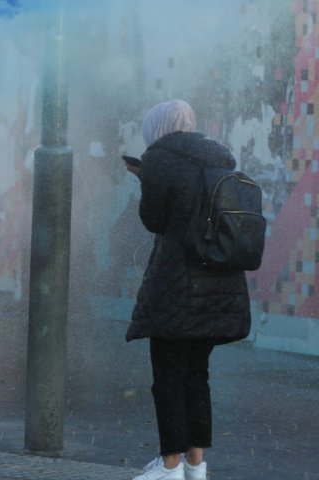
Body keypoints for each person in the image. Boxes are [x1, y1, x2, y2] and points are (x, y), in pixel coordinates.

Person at [123, 99, 251, 480]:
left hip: (178, 287)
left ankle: (169, 467)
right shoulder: (220, 158)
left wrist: (145, 178)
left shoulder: (159, 158)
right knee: (197, 376)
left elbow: (154, 220)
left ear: (157, 129)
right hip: (220, 286)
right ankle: (196, 465)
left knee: (168, 378)